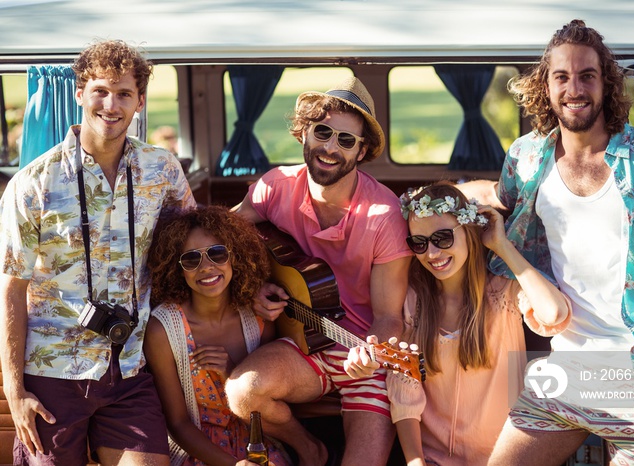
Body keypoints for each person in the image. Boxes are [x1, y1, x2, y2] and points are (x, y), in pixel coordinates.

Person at [458, 20, 634, 465]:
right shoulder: (527, 157)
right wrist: (434, 199)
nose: (575, 88)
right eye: (562, 76)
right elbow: (501, 197)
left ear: (606, 84)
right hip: (565, 369)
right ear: (545, 87)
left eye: (587, 75)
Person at [0, 39, 195, 465]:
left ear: (140, 101)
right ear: (79, 94)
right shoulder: (33, 183)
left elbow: (196, 247)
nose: (112, 104)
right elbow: (12, 287)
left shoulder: (162, 170)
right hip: (51, 373)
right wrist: (15, 392)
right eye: (100, 91)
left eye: (124, 93)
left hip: (128, 368)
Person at [226, 76, 413, 466]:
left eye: (346, 140)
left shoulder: (384, 215)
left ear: (362, 152)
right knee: (243, 392)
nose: (330, 148)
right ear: (304, 134)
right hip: (304, 345)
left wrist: (370, 354)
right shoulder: (275, 186)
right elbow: (219, 237)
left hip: (365, 356)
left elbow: (387, 316)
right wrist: (253, 287)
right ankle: (309, 450)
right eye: (323, 132)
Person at [375, 182, 571, 466]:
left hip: (501, 458)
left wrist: (502, 246)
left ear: (468, 232)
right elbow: (405, 388)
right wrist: (415, 461)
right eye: (419, 242)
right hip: (432, 459)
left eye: (443, 238)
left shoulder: (503, 293)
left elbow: (553, 313)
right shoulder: (413, 302)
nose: (432, 253)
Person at [144, 206, 292, 466]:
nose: (206, 267)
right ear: (177, 268)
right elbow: (177, 423)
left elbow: (271, 405)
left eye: (217, 253)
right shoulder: (162, 330)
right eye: (191, 259)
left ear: (235, 256)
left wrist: (233, 373)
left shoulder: (259, 321)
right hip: (198, 452)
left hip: (258, 444)